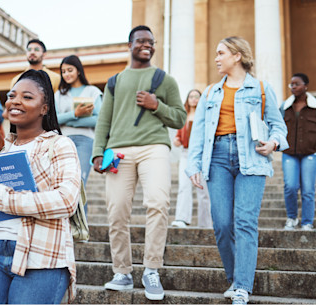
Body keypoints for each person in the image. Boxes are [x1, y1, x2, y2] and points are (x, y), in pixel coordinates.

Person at [0, 69, 81, 304]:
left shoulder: (59, 145)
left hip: (40, 256)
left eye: (27, 97)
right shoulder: (3, 150)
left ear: (45, 108)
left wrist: (1, 196)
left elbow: (67, 201)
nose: (15, 101)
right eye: (12, 96)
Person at [186, 36, 288, 305]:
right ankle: (235, 277)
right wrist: (194, 165)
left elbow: (278, 125)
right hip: (217, 156)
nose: (216, 58)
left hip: (252, 158)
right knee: (221, 223)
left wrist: (274, 142)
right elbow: (198, 133)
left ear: (237, 56)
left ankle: (242, 285)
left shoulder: (262, 89)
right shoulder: (210, 92)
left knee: (244, 221)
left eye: (221, 53)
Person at [92, 25, 186, 301]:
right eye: (141, 41)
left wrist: (156, 105)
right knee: (117, 210)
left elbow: (180, 118)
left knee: (158, 202)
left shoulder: (164, 80)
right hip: (118, 151)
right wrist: (98, 151)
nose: (147, 45)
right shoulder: (115, 81)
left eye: (151, 41)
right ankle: (122, 272)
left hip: (154, 148)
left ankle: (151, 269)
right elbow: (104, 121)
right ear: (129, 45)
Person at [281, 73, 316, 231]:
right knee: (290, 186)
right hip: (289, 153)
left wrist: (315, 140)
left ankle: (307, 222)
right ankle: (291, 218)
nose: (293, 87)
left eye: (297, 84)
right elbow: (276, 125)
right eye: (291, 84)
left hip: (311, 153)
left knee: (308, 189)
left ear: (306, 86)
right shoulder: (284, 107)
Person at [55, 55, 102, 190]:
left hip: (86, 141)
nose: (66, 74)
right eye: (63, 72)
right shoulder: (59, 94)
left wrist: (72, 122)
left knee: (79, 183)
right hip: (63, 142)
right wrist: (75, 114)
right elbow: (54, 120)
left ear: (79, 71)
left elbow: (99, 120)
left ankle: (82, 212)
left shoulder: (92, 92)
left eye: (70, 70)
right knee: (64, 184)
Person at [171, 89, 212, 229]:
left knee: (203, 190)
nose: (194, 99)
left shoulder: (206, 115)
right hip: (185, 153)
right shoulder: (184, 115)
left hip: (201, 155)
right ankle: (182, 218)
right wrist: (177, 139)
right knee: (183, 186)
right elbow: (178, 134)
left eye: (197, 97)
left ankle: (206, 223)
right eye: (191, 96)